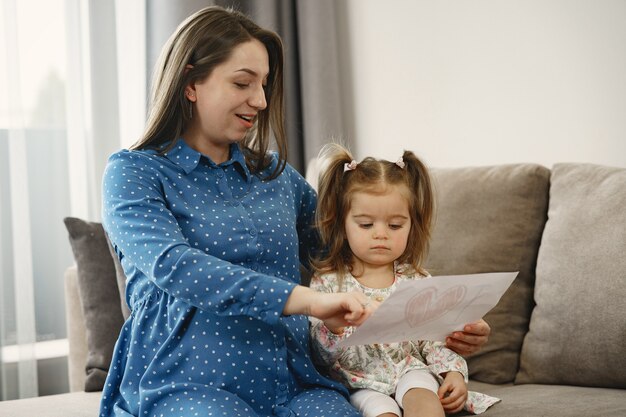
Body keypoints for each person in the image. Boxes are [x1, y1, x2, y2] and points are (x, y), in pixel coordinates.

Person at [100, 6, 489, 417]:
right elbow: (175, 266)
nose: (261, 100)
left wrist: (443, 320)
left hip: (293, 381)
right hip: (188, 381)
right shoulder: (134, 172)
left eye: (264, 84)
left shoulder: (276, 175)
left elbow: (349, 252)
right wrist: (305, 300)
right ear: (190, 83)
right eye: (242, 83)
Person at [309, 144, 499, 417]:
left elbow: (434, 341)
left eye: (395, 225)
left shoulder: (416, 279)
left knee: (422, 392)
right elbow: (318, 357)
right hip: (358, 382)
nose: (381, 234)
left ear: (412, 225)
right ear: (341, 224)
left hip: (410, 369)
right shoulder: (328, 283)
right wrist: (333, 328)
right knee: (379, 410)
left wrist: (453, 373)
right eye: (366, 225)